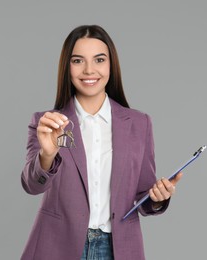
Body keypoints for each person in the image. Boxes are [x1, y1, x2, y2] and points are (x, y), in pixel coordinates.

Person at [20, 25, 182, 260]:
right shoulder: (47, 122)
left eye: (99, 59)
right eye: (77, 61)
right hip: (58, 245)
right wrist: (47, 155)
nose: (89, 70)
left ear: (110, 66)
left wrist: (157, 197)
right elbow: (32, 185)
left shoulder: (139, 123)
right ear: (67, 67)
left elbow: (142, 197)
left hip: (118, 248)